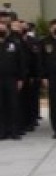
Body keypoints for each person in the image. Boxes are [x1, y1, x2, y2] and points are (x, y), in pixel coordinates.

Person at [0, 9, 26, 140]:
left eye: (5, 22)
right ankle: (3, 131)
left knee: (13, 104)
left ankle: (15, 130)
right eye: (1, 22)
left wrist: (21, 78)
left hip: (12, 78)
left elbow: (21, 60)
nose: (2, 25)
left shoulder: (15, 40)